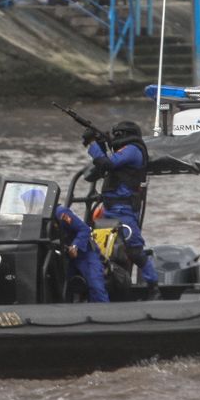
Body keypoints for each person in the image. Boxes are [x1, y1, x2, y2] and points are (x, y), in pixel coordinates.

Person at [83, 120, 158, 300]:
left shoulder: (133, 149)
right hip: (108, 208)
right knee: (97, 249)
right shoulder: (120, 152)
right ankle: (102, 287)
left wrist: (94, 144)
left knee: (135, 250)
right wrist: (97, 143)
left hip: (124, 209)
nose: (115, 139)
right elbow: (97, 170)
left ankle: (153, 287)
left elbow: (108, 163)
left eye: (117, 135)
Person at [53, 205, 109, 303]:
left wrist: (75, 246)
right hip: (62, 256)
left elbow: (84, 229)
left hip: (84, 253)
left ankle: (104, 313)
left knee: (95, 285)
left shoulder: (61, 213)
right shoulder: (35, 219)